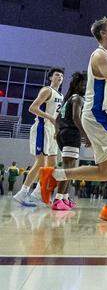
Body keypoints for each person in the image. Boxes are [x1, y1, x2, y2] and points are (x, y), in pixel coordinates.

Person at [38, 18, 107, 222]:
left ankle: (56, 175)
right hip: (100, 115)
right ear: (102, 34)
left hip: (101, 115)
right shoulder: (99, 55)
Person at [12, 67, 63, 208]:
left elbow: (57, 117)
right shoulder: (47, 90)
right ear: (51, 77)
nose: (60, 77)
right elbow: (33, 108)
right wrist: (50, 118)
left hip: (52, 130)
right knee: (41, 162)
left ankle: (37, 193)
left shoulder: (61, 95)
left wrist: (57, 129)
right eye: (57, 75)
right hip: (42, 127)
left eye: (62, 76)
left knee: (52, 165)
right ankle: (22, 193)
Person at [51, 72, 87, 211]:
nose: (85, 86)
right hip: (72, 133)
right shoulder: (77, 98)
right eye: (83, 83)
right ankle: (58, 198)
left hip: (63, 133)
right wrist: (86, 135)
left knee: (70, 167)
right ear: (77, 85)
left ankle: (65, 197)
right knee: (69, 169)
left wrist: (57, 132)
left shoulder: (68, 98)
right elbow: (76, 118)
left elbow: (57, 119)